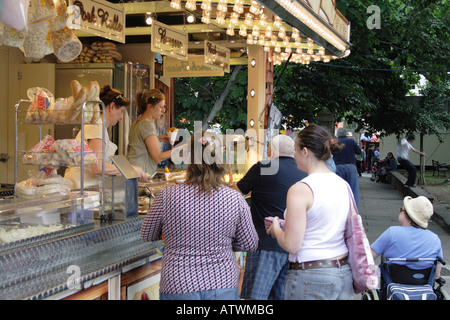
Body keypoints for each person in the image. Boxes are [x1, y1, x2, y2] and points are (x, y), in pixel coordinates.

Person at [141, 132, 258, 300]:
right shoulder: (234, 199)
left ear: (190, 162)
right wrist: (224, 242)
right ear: (219, 161)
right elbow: (250, 243)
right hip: (222, 282)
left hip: (178, 283)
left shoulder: (167, 196)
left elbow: (147, 234)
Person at [267, 125, 354, 300]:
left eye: (295, 150)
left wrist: (276, 229)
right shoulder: (343, 185)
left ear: (305, 152)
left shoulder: (300, 189)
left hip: (311, 276)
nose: (294, 156)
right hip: (343, 272)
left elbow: (292, 245)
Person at [233, 135, 307, 300]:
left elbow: (234, 193)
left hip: (265, 244)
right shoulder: (303, 170)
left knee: (255, 297)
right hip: (294, 246)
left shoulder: (264, 166)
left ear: (272, 150)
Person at [65, 85, 146, 189]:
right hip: (80, 188)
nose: (121, 117)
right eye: (121, 111)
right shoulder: (96, 125)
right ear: (112, 106)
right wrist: (130, 169)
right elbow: (97, 166)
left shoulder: (100, 126)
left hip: (87, 188)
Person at [371, 196, 443, 278]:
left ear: (407, 214)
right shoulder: (435, 239)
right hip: (423, 284)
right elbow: (437, 274)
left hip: (392, 283)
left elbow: (368, 258)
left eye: (402, 210)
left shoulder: (392, 232)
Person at [127, 89, 173, 176]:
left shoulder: (137, 122)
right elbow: (157, 157)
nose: (163, 110)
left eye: (164, 107)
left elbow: (139, 143)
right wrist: (181, 149)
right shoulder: (147, 125)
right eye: (161, 107)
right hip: (140, 174)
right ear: (150, 106)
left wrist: (158, 138)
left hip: (131, 170)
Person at [332, 127, 362, 210]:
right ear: (346, 134)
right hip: (350, 166)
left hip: (338, 167)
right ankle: (355, 212)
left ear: (337, 135)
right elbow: (359, 152)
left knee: (338, 191)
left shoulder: (335, 142)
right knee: (353, 191)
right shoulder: (351, 141)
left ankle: (339, 210)